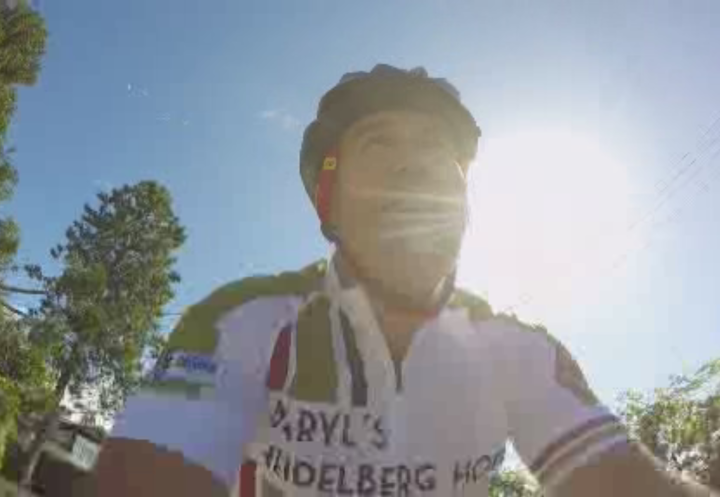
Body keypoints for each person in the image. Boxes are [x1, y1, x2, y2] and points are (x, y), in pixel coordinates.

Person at [88, 64, 716, 497]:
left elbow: (623, 482)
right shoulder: (243, 319)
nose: (415, 163)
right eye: (379, 144)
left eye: (436, 149)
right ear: (330, 199)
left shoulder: (518, 349)